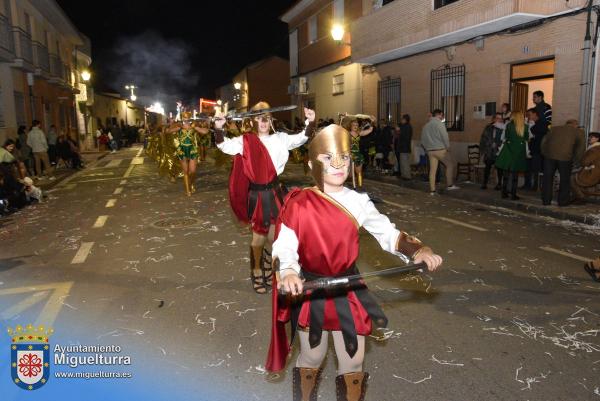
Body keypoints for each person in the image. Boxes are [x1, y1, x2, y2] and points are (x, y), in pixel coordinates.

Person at [266, 124, 443, 401]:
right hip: (312, 287)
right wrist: (288, 271)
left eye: (344, 158)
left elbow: (388, 233)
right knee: (312, 355)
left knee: (353, 357)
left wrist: (417, 251)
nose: (338, 165)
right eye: (328, 158)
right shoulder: (299, 203)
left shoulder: (358, 202)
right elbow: (284, 245)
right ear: (312, 163)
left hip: (349, 287)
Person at [214, 101, 316, 294]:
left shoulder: (281, 138)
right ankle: (257, 270)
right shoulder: (245, 141)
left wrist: (310, 122)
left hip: (276, 192)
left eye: (267, 117)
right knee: (258, 238)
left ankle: (276, 265)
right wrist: (219, 128)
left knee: (277, 235)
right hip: (257, 196)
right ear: (253, 120)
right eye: (259, 117)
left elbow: (302, 138)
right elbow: (223, 145)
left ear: (271, 120)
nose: (263, 121)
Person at [540, 119, 586, 206]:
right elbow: (581, 148)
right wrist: (576, 160)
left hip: (549, 157)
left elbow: (543, 142)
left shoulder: (554, 129)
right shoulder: (579, 132)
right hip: (565, 158)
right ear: (575, 125)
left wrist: (545, 153)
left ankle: (546, 200)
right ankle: (563, 202)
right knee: (564, 180)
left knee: (547, 178)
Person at [166, 112, 210, 196]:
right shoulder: (179, 126)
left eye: (187, 118)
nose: (186, 120)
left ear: (190, 118)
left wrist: (198, 127)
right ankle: (188, 190)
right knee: (185, 171)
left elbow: (205, 132)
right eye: (184, 118)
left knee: (192, 171)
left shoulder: (193, 126)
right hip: (182, 150)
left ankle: (191, 184)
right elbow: (168, 131)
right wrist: (172, 125)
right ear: (182, 118)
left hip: (192, 150)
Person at [421, 109, 459, 194]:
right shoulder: (439, 124)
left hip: (430, 151)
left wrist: (427, 149)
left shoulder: (426, 126)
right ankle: (449, 185)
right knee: (449, 165)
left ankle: (432, 190)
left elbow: (422, 141)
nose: (443, 117)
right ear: (440, 114)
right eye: (442, 115)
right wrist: (448, 147)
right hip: (440, 150)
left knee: (432, 170)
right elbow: (444, 136)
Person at [495, 111, 529, 200]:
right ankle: (513, 194)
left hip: (508, 151)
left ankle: (504, 193)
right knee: (515, 175)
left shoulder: (509, 125)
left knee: (506, 174)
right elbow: (527, 138)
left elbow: (506, 136)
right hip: (519, 152)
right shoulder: (525, 127)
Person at [571, 131, 600, 203]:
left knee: (571, 178)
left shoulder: (595, 149)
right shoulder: (596, 148)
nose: (589, 138)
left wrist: (582, 160)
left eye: (592, 137)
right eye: (589, 137)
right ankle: (580, 196)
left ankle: (581, 197)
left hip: (593, 173)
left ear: (597, 139)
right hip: (595, 171)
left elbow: (585, 162)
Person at [345, 117, 373, 190]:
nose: (355, 126)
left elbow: (370, 130)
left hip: (357, 154)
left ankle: (360, 186)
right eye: (354, 125)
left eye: (357, 125)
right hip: (349, 154)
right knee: (350, 174)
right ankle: (349, 184)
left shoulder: (359, 133)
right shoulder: (346, 133)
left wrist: (371, 122)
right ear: (350, 125)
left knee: (359, 172)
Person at [478, 113, 504, 189]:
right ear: (494, 119)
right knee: (487, 168)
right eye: (498, 118)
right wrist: (483, 150)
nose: (499, 119)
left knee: (499, 169)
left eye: (500, 118)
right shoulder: (488, 127)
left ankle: (499, 184)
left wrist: (497, 144)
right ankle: (484, 183)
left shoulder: (504, 128)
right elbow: (483, 139)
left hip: (499, 152)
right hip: (489, 152)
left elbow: (504, 139)